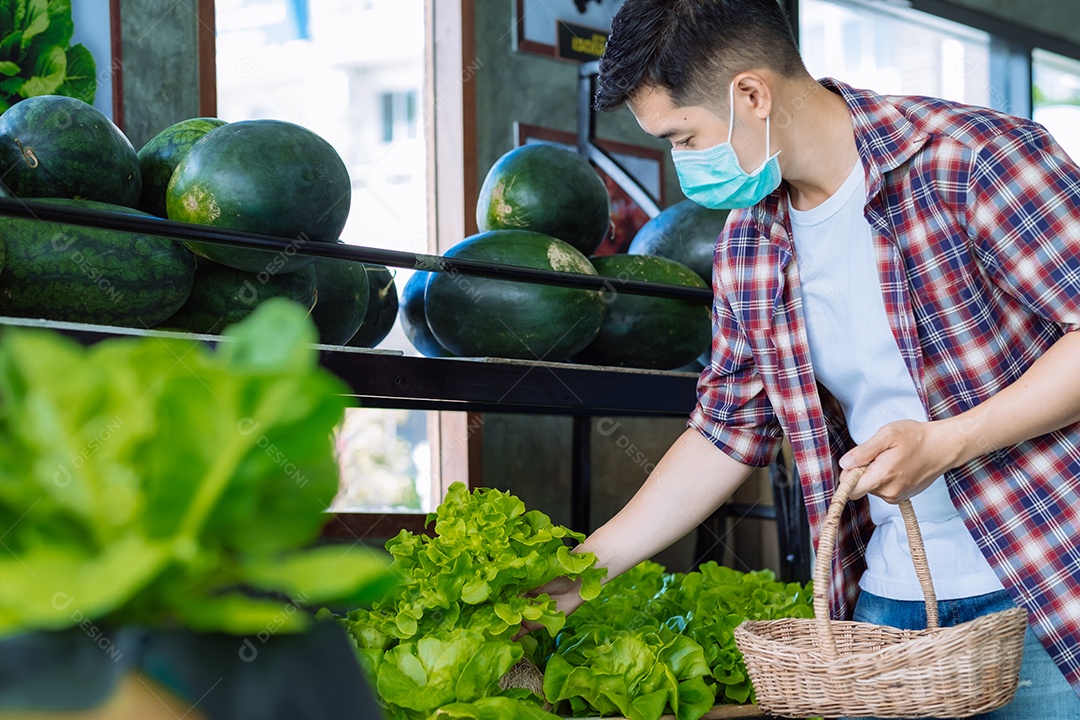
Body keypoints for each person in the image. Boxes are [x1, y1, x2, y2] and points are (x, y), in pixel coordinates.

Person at [533, 1, 1080, 718]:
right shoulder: (749, 244)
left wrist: (948, 442)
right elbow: (726, 432)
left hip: (1044, 582)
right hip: (886, 603)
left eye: (684, 137)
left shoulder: (972, 160)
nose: (682, 163)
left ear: (751, 95)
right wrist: (584, 572)